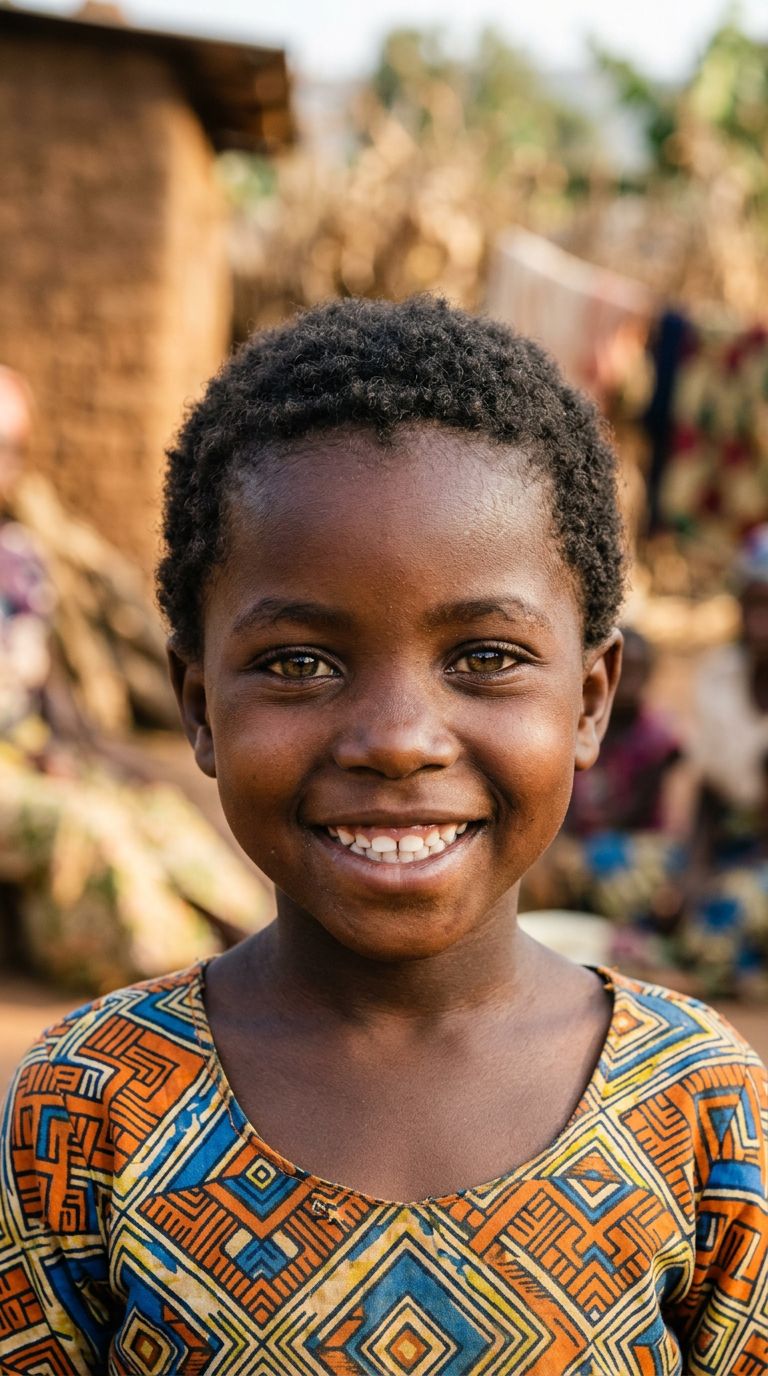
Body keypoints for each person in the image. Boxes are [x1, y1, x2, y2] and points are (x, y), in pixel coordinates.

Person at [1, 298, 766, 1374]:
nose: (399, 741)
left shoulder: (702, 1108)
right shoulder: (90, 1102)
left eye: (486, 656)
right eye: (300, 662)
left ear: (592, 699)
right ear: (197, 705)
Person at [683, 525, 768, 995]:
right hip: (730, 843)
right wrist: (693, 871)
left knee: (723, 914)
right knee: (611, 866)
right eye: (753, 606)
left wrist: (717, 882)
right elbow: (709, 793)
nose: (760, 623)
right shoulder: (719, 676)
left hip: (756, 856)